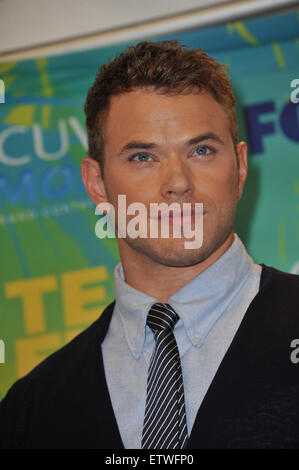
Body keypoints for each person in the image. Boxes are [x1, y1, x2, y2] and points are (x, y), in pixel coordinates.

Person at [0, 40, 298, 450]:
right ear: (97, 183)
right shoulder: (29, 410)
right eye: (143, 157)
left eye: (201, 150)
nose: (177, 183)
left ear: (241, 166)